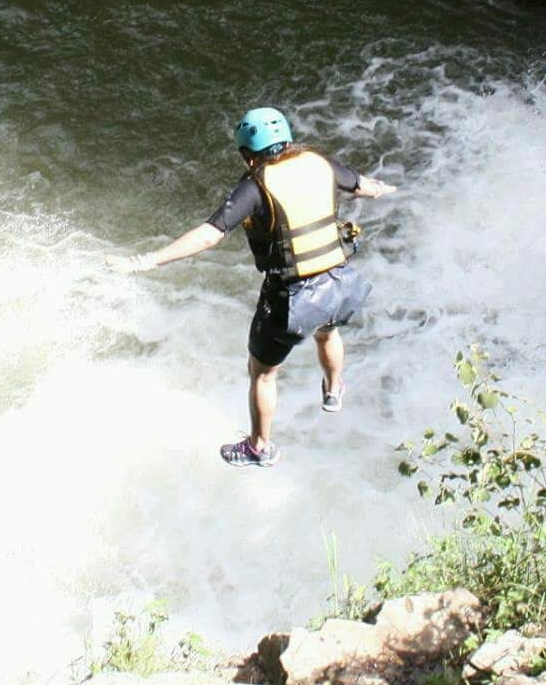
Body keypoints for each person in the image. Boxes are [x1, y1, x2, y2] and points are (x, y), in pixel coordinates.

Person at [108, 106, 398, 468]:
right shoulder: (318, 162)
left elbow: (208, 236)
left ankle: (259, 447)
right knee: (327, 331)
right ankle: (334, 389)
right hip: (341, 286)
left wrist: (147, 260)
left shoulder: (256, 186)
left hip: (293, 300)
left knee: (262, 372)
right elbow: (363, 186)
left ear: (248, 155)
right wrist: (388, 189)